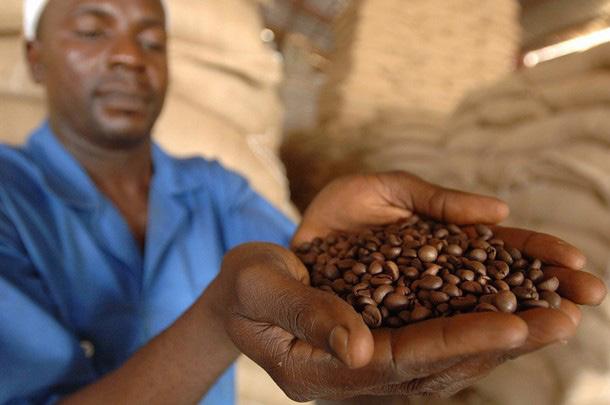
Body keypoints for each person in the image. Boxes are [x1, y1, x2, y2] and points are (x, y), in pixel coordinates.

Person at [0, 0, 605, 404]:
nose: (130, 56)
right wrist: (221, 314)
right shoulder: (9, 203)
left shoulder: (213, 183)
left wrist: (328, 258)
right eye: (90, 31)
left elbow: (299, 269)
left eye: (152, 40)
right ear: (33, 57)